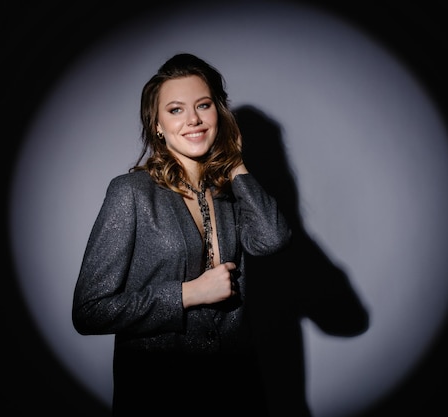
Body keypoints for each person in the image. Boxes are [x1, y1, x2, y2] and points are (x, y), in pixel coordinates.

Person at [72, 53, 291, 416]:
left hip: (236, 388)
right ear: (157, 124)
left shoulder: (229, 192)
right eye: (175, 110)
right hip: (161, 392)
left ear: (218, 113)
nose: (193, 119)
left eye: (203, 106)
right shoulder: (131, 192)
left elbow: (272, 239)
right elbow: (89, 311)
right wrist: (188, 294)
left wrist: (235, 162)